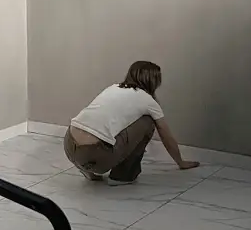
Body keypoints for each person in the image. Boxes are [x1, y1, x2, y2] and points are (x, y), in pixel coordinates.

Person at [64, 61, 200, 185]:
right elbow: (166, 137)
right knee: (148, 122)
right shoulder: (149, 101)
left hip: (69, 146)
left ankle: (87, 169)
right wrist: (181, 162)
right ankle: (122, 176)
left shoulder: (113, 87)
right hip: (97, 155)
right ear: (153, 81)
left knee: (99, 128)